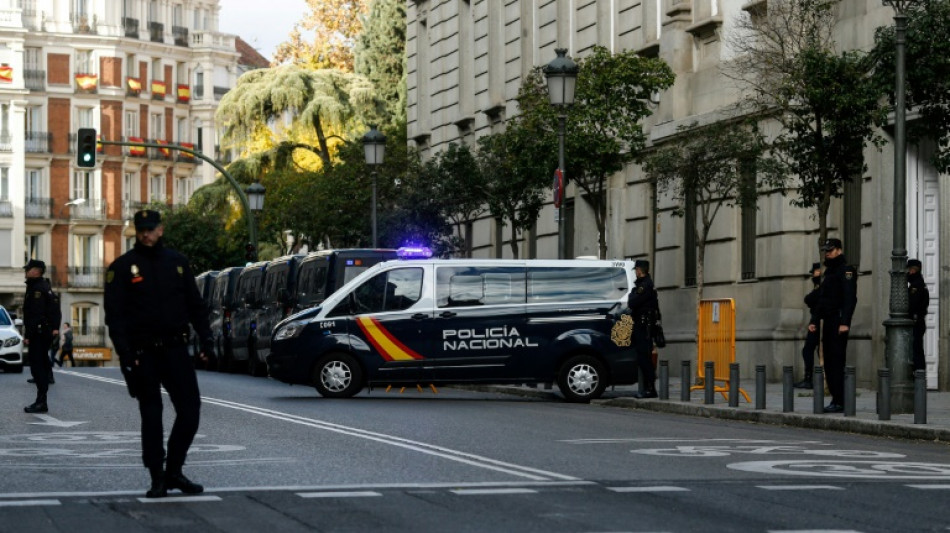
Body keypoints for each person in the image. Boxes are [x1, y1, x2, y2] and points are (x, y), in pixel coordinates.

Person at [104, 210, 213, 499]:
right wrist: (126, 355)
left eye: (151, 229)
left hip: (176, 349)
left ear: (161, 230)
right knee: (151, 416)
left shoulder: (177, 263)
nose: (146, 234)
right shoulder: (122, 268)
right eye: (141, 229)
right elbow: (115, 318)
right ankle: (157, 477)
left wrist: (208, 338)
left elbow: (195, 305)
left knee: (190, 412)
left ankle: (174, 471)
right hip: (143, 354)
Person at [808, 238, 857, 414]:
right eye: (826, 250)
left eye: (830, 250)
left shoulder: (846, 271)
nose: (827, 253)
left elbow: (850, 298)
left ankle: (841, 400)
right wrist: (814, 320)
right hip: (828, 321)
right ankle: (836, 398)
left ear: (839, 250)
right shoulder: (829, 272)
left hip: (838, 321)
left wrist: (845, 323)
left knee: (836, 361)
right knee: (829, 362)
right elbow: (822, 299)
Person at [22, 259, 61, 414]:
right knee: (41, 364)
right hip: (42, 332)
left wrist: (29, 335)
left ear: (36, 271)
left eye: (28, 269)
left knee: (37, 366)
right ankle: (41, 400)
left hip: (39, 333)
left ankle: (41, 401)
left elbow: (35, 315)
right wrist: (55, 328)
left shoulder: (38, 289)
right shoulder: (42, 286)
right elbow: (55, 310)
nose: (26, 271)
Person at [628, 259, 659, 399]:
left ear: (640, 270)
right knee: (643, 356)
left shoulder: (644, 285)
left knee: (644, 357)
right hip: (643, 325)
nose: (635, 272)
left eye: (636, 270)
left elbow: (632, 302)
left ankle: (651, 388)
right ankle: (648, 387)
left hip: (643, 326)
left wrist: (632, 295)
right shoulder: (645, 284)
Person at [794, 263, 822, 389]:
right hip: (816, 320)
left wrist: (814, 322)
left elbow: (812, 300)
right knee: (811, 350)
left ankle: (809, 379)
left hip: (818, 321)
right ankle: (810, 378)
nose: (812, 274)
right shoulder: (818, 285)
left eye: (814, 271)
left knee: (809, 350)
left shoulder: (822, 284)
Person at [907, 258, 929, 372]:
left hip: (916, 322)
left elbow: (912, 304)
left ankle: (919, 378)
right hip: (919, 321)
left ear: (913, 270)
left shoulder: (916, 286)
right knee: (917, 350)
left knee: (916, 351)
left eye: (909, 270)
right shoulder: (920, 283)